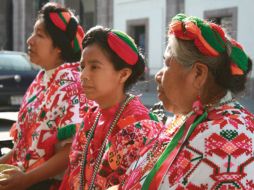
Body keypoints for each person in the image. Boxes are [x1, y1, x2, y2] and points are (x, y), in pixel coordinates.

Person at [118, 13, 254, 189]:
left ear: (198, 73)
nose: (158, 76)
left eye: (167, 63)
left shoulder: (227, 141)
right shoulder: (190, 119)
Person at [0, 2, 93, 190]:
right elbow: (25, 145)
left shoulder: (72, 84)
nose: (30, 40)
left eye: (39, 35)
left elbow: (71, 152)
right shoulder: (42, 78)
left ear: (58, 46)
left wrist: (25, 180)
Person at [59, 26, 162, 190]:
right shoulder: (92, 115)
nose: (83, 75)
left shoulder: (139, 127)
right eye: (82, 66)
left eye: (94, 67)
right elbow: (71, 175)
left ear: (123, 74)